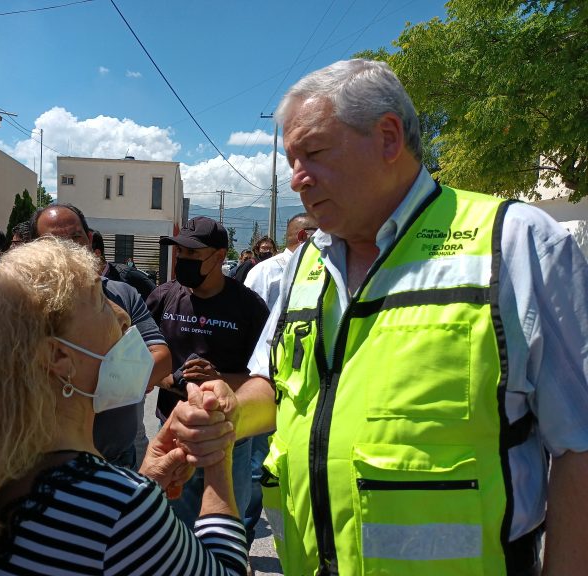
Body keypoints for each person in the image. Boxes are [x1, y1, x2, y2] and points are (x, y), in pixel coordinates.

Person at [171, 59, 588, 576]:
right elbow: (275, 388)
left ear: (388, 137)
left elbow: (580, 446)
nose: (297, 178)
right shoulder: (307, 263)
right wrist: (226, 410)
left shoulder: (517, 243)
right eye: (291, 161)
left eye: (314, 153)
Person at [0, 237, 248, 575]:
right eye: (100, 302)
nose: (122, 317)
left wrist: (145, 481)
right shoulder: (115, 508)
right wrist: (218, 452)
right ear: (59, 357)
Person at [147, 216, 270, 532]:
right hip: (174, 430)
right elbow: (139, 362)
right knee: (174, 528)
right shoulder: (162, 298)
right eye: (181, 254)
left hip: (230, 436)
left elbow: (268, 377)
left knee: (227, 523)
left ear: (219, 257)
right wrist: (174, 379)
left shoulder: (249, 307)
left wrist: (218, 380)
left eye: (193, 255)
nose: (183, 262)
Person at [30, 204, 171, 469]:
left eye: (76, 238)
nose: (69, 249)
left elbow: (161, 360)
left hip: (118, 455)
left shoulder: (122, 294)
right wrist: (130, 374)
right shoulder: (22, 301)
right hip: (44, 459)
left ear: (90, 239)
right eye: (54, 242)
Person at [241, 212, 316, 548]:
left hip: (306, 395)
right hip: (266, 385)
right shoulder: (265, 273)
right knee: (259, 465)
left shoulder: (325, 269)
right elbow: (253, 331)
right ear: (303, 237)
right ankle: (244, 532)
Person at [92, 229, 157, 300]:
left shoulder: (127, 275)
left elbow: (156, 298)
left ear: (97, 253)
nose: (77, 258)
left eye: (81, 252)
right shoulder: (82, 283)